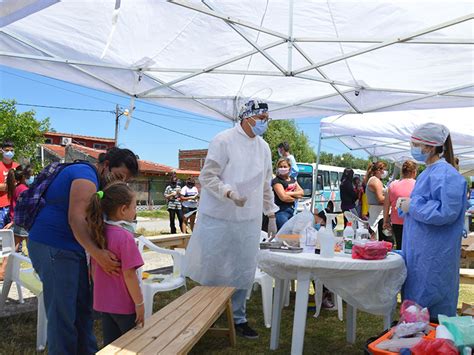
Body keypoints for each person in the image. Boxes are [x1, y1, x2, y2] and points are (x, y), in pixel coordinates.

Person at [27, 147, 139, 355]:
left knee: (82, 309)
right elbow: (76, 218)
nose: (120, 183)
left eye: (126, 181)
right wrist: (98, 254)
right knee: (63, 314)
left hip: (72, 248)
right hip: (54, 245)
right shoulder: (86, 175)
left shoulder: (97, 183)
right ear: (106, 166)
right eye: (118, 176)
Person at [184, 99, 279, 339]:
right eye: (261, 119)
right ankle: (208, 314)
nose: (264, 123)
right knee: (214, 268)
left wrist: (270, 213)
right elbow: (208, 176)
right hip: (219, 217)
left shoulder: (264, 148)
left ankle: (238, 317)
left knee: (242, 268)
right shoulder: (223, 140)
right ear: (246, 117)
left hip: (247, 219)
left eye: (267, 119)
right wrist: (228, 192)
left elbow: (266, 184)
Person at [400, 123, 467, 321]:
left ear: (429, 147)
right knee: (416, 306)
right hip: (421, 251)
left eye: (415, 144)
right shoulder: (428, 172)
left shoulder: (447, 175)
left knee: (432, 309)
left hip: (435, 254)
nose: (413, 149)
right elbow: (425, 205)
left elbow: (446, 212)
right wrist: (407, 207)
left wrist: (412, 207)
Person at [86, 182, 144, 346]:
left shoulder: (98, 232)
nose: (135, 211)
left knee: (111, 345)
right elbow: (130, 275)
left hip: (104, 303)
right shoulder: (125, 237)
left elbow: (93, 270)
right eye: (134, 206)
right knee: (131, 346)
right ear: (123, 210)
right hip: (125, 305)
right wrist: (139, 303)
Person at [382, 161, 417, 249]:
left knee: (400, 246)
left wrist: (385, 221)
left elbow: (386, 206)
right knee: (412, 248)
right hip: (413, 221)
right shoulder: (417, 184)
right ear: (414, 172)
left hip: (397, 221)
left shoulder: (392, 185)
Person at [0, 140, 19, 280]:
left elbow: (21, 184)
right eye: (7, 149)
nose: (9, 152)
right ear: (1, 150)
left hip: (14, 206)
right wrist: (11, 185)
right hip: (1, 206)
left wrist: (7, 186)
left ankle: (6, 269)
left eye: (11, 149)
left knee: (12, 239)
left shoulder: (17, 166)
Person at [272, 158, 304, 230]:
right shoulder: (276, 181)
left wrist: (288, 193)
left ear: (289, 168)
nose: (282, 168)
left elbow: (302, 193)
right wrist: (295, 198)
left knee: (291, 234)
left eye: (285, 166)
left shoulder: (292, 179)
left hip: (291, 211)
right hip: (281, 212)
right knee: (284, 234)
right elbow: (283, 197)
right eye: (280, 167)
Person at [363, 161, 388, 240]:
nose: (384, 172)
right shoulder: (375, 181)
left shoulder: (375, 180)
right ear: (378, 170)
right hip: (378, 215)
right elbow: (380, 199)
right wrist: (392, 198)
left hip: (377, 213)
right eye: (384, 169)